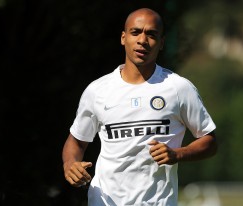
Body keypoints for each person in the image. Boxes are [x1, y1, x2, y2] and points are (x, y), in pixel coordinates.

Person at [62, 8, 217, 206]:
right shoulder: (97, 90)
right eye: (136, 32)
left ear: (161, 43)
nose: (142, 40)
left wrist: (177, 154)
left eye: (151, 34)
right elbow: (76, 142)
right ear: (123, 38)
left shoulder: (178, 88)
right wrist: (70, 165)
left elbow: (209, 141)